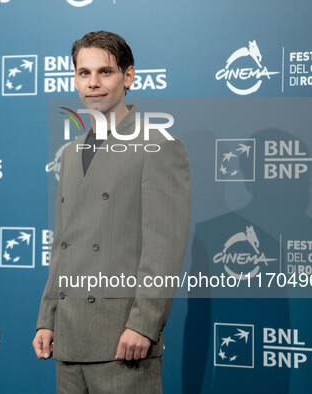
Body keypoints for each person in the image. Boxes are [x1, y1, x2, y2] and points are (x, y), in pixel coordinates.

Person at [33, 31, 191, 394]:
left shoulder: (158, 146)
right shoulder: (71, 154)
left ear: (129, 76)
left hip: (123, 340)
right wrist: (48, 319)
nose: (93, 83)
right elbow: (64, 246)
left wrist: (144, 325)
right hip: (70, 342)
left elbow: (163, 248)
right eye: (84, 73)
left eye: (105, 72)